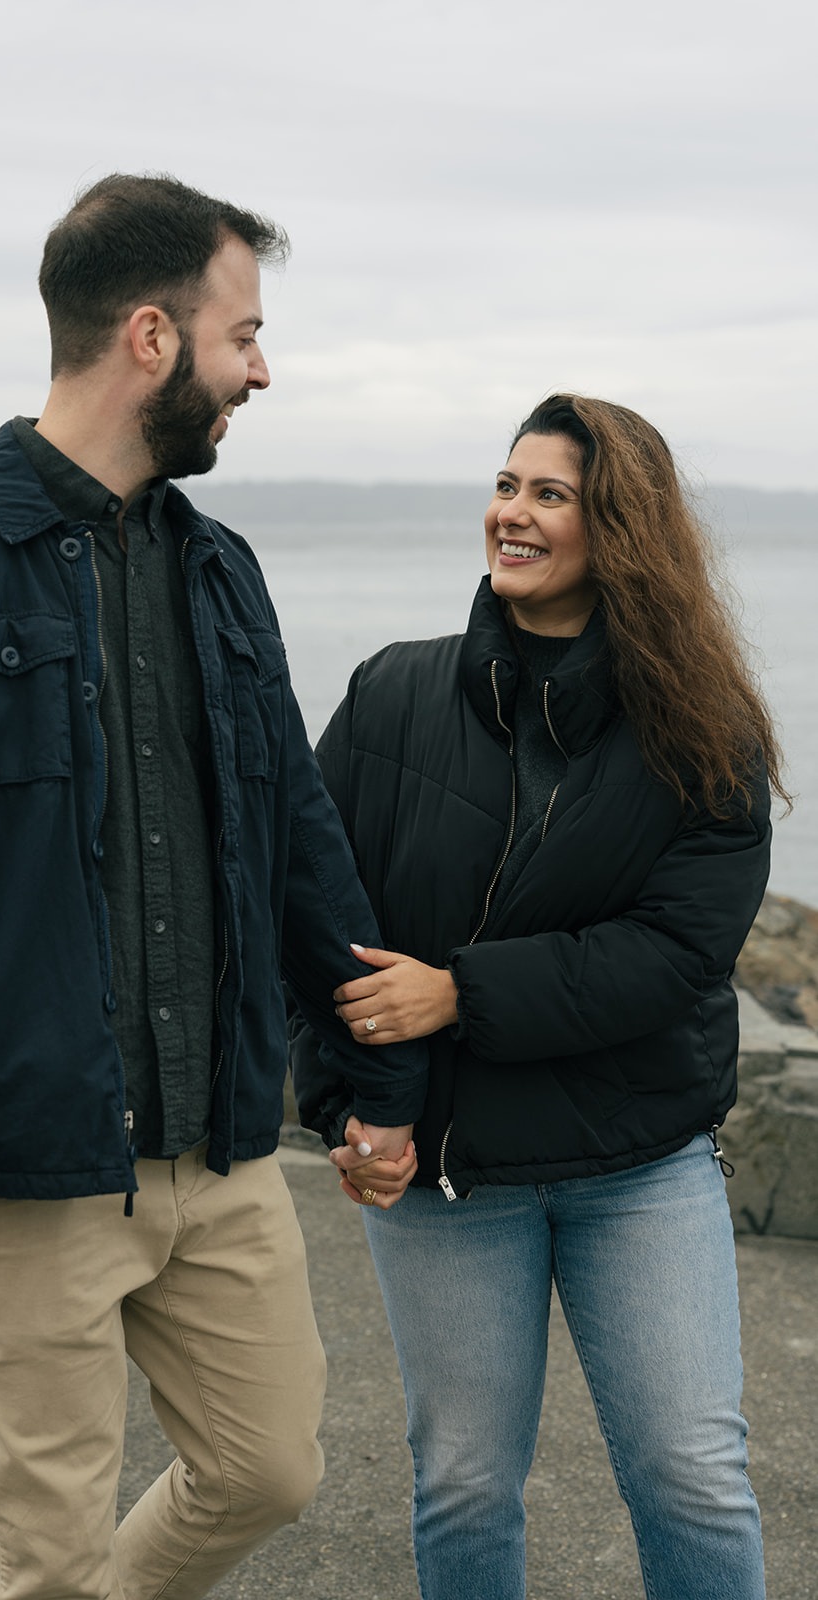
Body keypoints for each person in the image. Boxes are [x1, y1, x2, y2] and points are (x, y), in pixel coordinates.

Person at [0, 173, 427, 1600]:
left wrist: (368, 1076)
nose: (261, 367)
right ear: (150, 336)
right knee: (45, 1550)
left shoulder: (221, 572)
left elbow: (295, 846)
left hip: (220, 1155)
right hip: (27, 1177)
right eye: (240, 334)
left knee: (271, 1468)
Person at [291, 393, 787, 1600]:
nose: (509, 514)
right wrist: (343, 1112)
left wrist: (457, 992)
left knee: (690, 1472)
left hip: (638, 1164)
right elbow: (304, 916)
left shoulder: (704, 731)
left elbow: (670, 953)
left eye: (547, 494)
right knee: (461, 1481)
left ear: (617, 528)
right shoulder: (393, 691)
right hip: (450, 1176)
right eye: (506, 485)